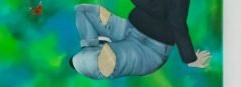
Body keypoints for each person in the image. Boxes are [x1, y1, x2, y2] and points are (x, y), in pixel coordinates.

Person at [71, 1, 212, 80]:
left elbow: (178, 23)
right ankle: (92, 46)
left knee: (90, 63)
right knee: (83, 10)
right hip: (128, 28)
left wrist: (189, 58)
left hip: (149, 50)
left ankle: (96, 53)